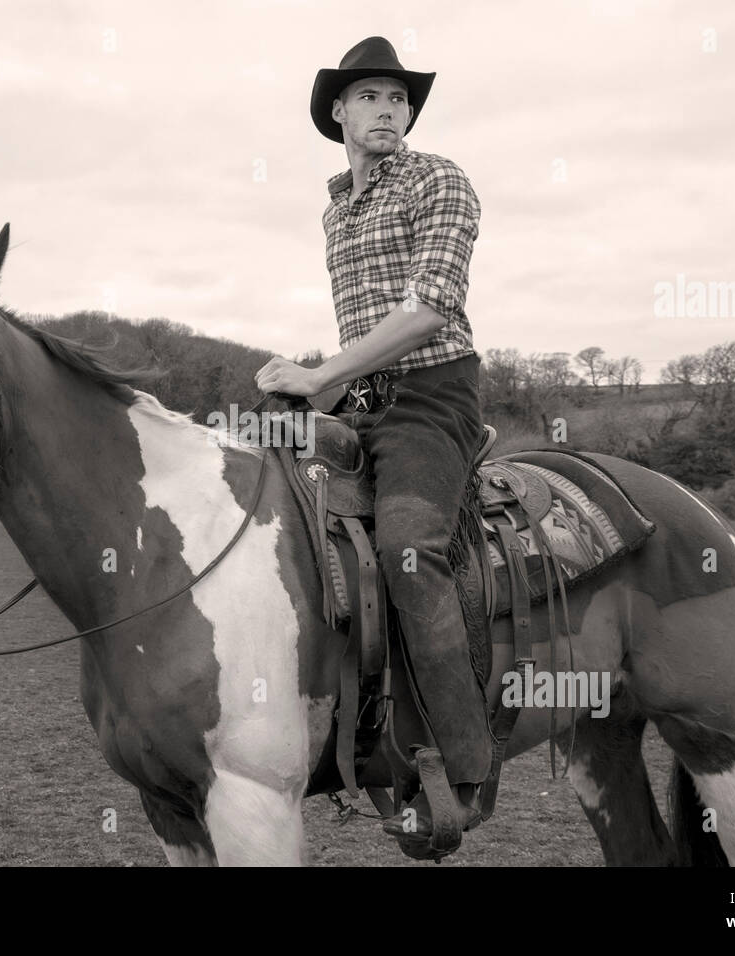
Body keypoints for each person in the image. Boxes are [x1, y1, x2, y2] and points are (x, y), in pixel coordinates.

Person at [254, 36, 493, 843]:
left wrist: (317, 375)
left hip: (432, 399)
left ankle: (460, 769)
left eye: (399, 99)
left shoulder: (441, 180)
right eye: (370, 97)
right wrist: (315, 390)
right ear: (338, 112)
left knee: (408, 553)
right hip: (359, 403)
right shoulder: (335, 210)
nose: (388, 110)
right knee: (256, 484)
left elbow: (430, 307)